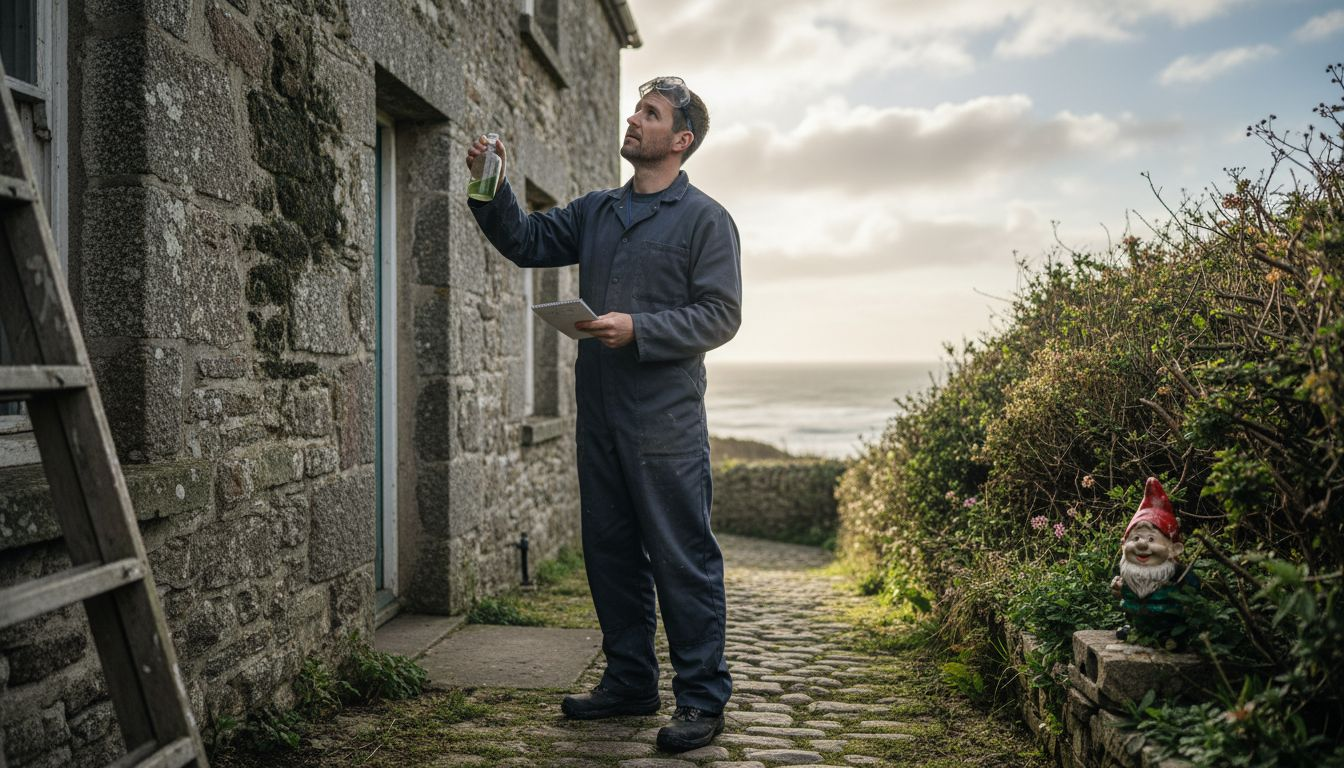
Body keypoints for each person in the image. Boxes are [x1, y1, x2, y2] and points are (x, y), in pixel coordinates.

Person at [465, 76, 740, 753]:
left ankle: (702, 701)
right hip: (601, 413)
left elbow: (721, 314)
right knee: (610, 552)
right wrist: (490, 184)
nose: (633, 118)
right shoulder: (596, 210)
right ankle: (630, 682)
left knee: (682, 557)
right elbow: (526, 242)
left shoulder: (706, 219)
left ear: (681, 141)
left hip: (667, 423)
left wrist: (639, 328)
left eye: (650, 114)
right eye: (636, 109)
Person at [1109, 477, 1199, 647]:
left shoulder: (1178, 573)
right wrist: (1118, 589)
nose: (1142, 544)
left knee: (1171, 636)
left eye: (1151, 539)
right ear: (1123, 545)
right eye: (1135, 538)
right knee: (1134, 623)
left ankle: (1168, 636)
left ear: (1174, 549)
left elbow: (1193, 589)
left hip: (1167, 620)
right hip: (1136, 615)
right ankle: (1137, 629)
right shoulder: (1127, 573)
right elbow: (1120, 593)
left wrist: (1186, 600)